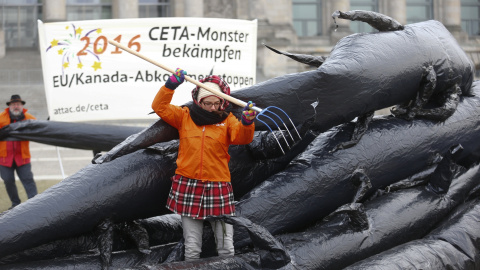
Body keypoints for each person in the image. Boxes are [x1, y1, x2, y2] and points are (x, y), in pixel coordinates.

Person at [152, 69, 257, 261]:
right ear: (198, 102)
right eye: (207, 103)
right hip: (188, 185)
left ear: (222, 102)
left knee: (226, 247)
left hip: (218, 186)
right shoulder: (184, 116)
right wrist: (170, 86)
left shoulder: (228, 121)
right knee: (192, 249)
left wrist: (248, 121)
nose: (212, 108)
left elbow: (242, 137)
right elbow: (159, 107)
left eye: (216, 103)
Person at [0, 95, 38, 210]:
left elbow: (40, 127)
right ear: (9, 106)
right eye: (14, 104)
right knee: (8, 181)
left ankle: (35, 203)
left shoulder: (29, 118)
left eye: (18, 104)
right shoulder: (1, 118)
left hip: (23, 158)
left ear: (22, 106)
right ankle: (15, 203)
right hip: (4, 158)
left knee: (28, 180)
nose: (16, 106)